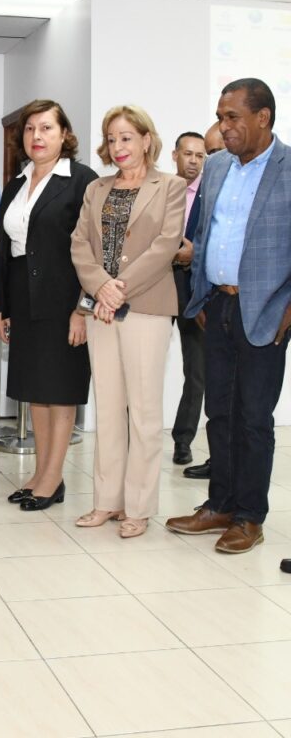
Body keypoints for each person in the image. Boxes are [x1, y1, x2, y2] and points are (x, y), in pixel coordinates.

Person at [166, 78, 291, 554]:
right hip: (216, 305)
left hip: (266, 311)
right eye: (221, 117)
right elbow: (202, 234)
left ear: (263, 117)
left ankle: (249, 516)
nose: (224, 127)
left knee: (253, 418)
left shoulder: (288, 167)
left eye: (233, 117)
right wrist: (201, 296)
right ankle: (219, 503)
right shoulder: (216, 166)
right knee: (218, 412)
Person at [70, 105, 185, 538]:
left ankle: (138, 507)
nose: (118, 146)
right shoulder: (96, 188)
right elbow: (80, 243)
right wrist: (101, 286)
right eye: (112, 138)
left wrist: (119, 288)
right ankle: (107, 501)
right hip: (100, 309)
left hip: (146, 308)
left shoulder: (170, 186)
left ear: (146, 140)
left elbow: (166, 245)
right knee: (108, 407)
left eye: (126, 137)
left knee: (144, 412)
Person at [0, 99, 98, 510]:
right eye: (31, 128)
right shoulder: (15, 184)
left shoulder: (82, 181)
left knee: (60, 390)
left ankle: (52, 479)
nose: (37, 136)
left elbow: (95, 251)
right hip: (22, 298)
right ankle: (39, 473)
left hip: (64, 300)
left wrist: (82, 309)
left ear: (64, 134)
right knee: (35, 389)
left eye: (47, 128)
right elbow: (3, 249)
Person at [182, 120, 227, 481]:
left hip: (222, 297)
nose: (203, 161)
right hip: (185, 290)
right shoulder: (171, 189)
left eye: (210, 154)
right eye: (199, 154)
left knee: (206, 376)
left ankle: (220, 461)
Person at [170, 131, 208, 466]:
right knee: (141, 365)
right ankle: (133, 436)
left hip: (192, 289)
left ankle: (183, 441)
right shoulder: (161, 191)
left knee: (196, 370)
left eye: (200, 156)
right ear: (175, 155)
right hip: (155, 284)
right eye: (188, 154)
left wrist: (194, 255)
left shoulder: (210, 196)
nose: (194, 161)